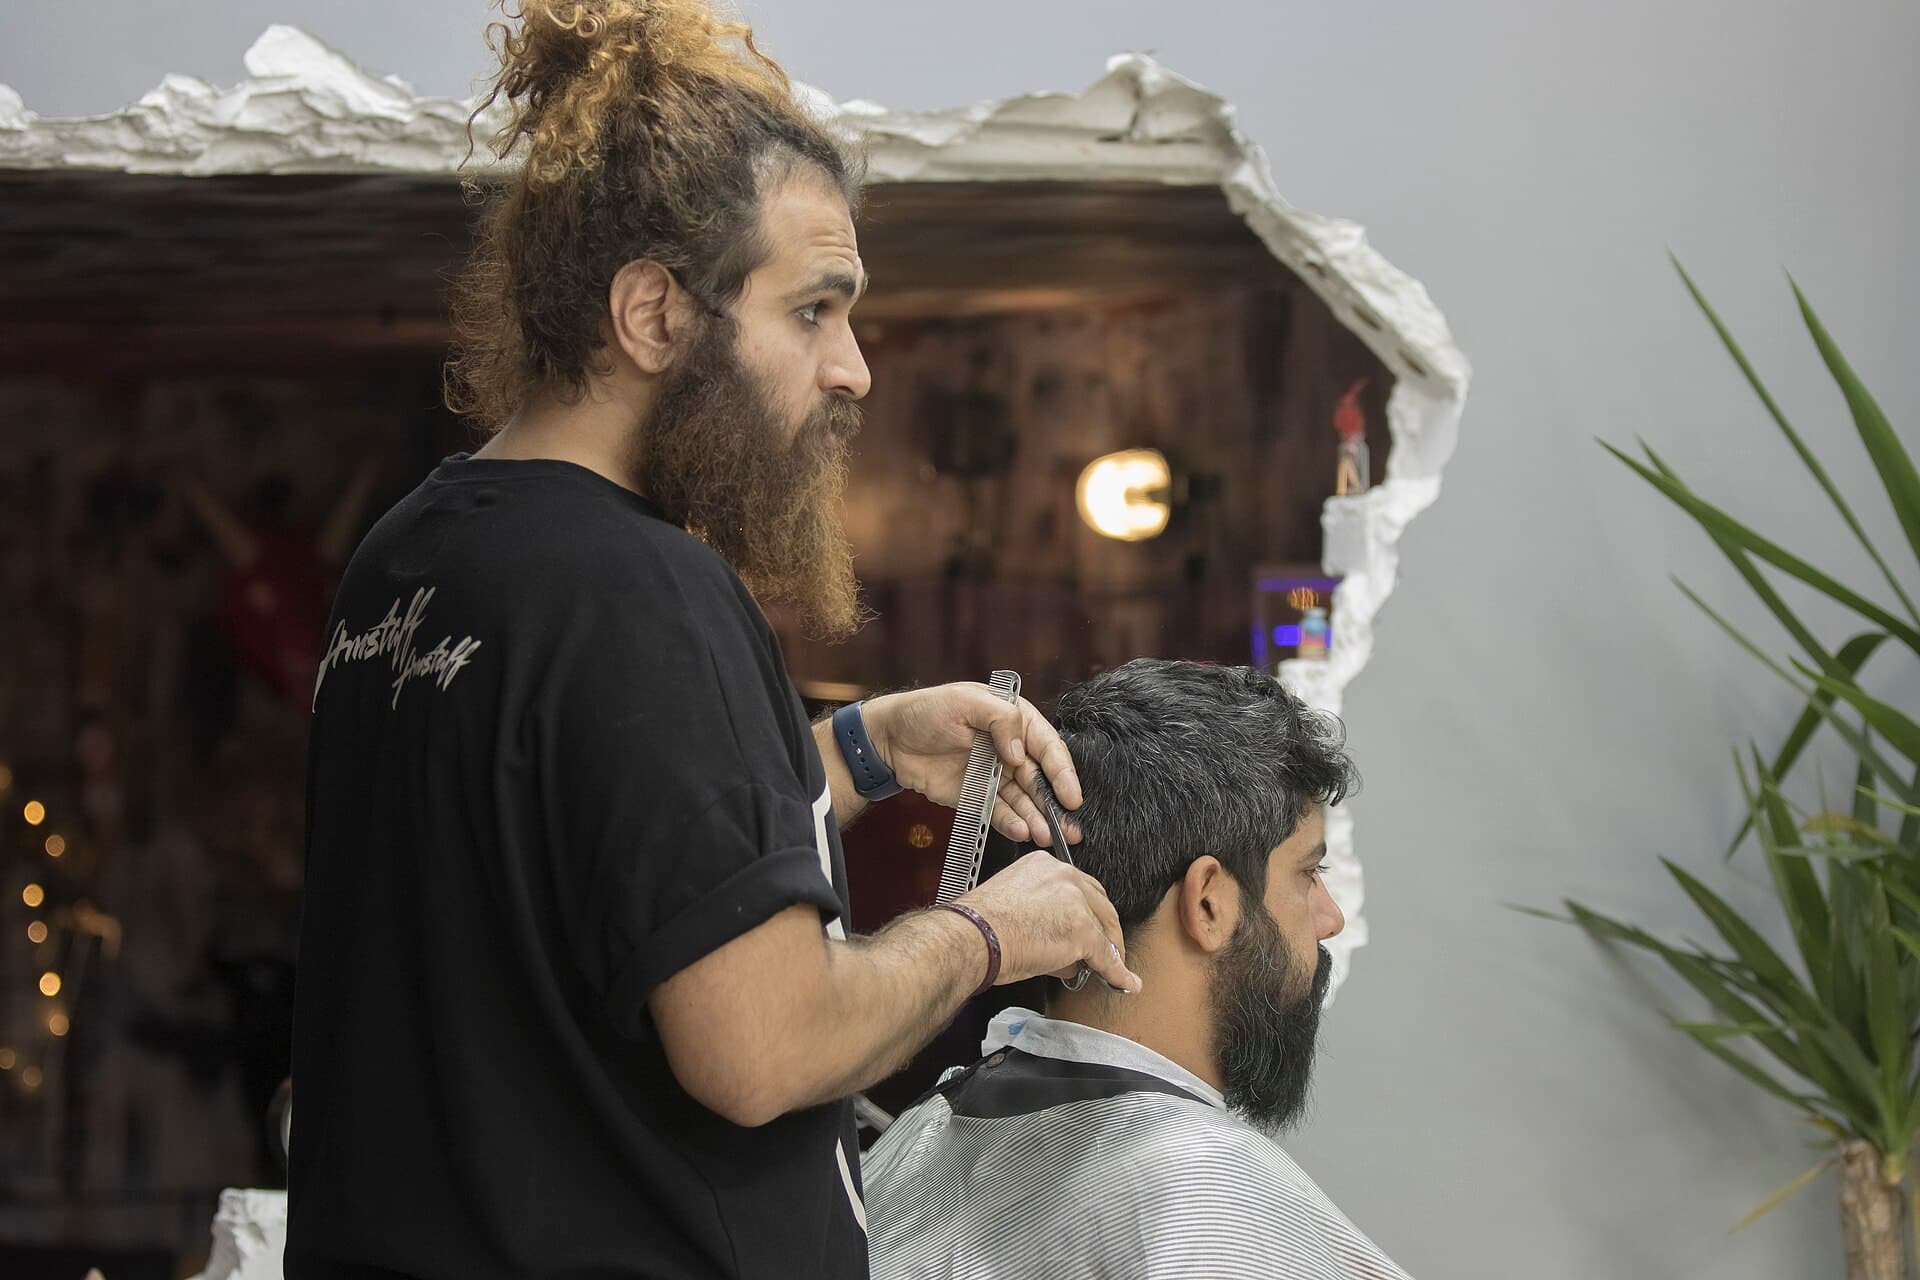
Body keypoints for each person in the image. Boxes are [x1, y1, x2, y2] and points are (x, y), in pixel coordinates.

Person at [284, 3, 1139, 1278]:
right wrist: (993, 931)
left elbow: (596, 835)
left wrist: (864, 744)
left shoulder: (416, 557)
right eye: (813, 311)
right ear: (653, 314)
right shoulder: (647, 593)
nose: (850, 369)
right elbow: (762, 1046)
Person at [864, 659, 1412, 1280]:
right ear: (1208, 902)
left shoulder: (919, 1137)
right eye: (1308, 874)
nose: (1330, 917)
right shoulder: (1211, 1206)